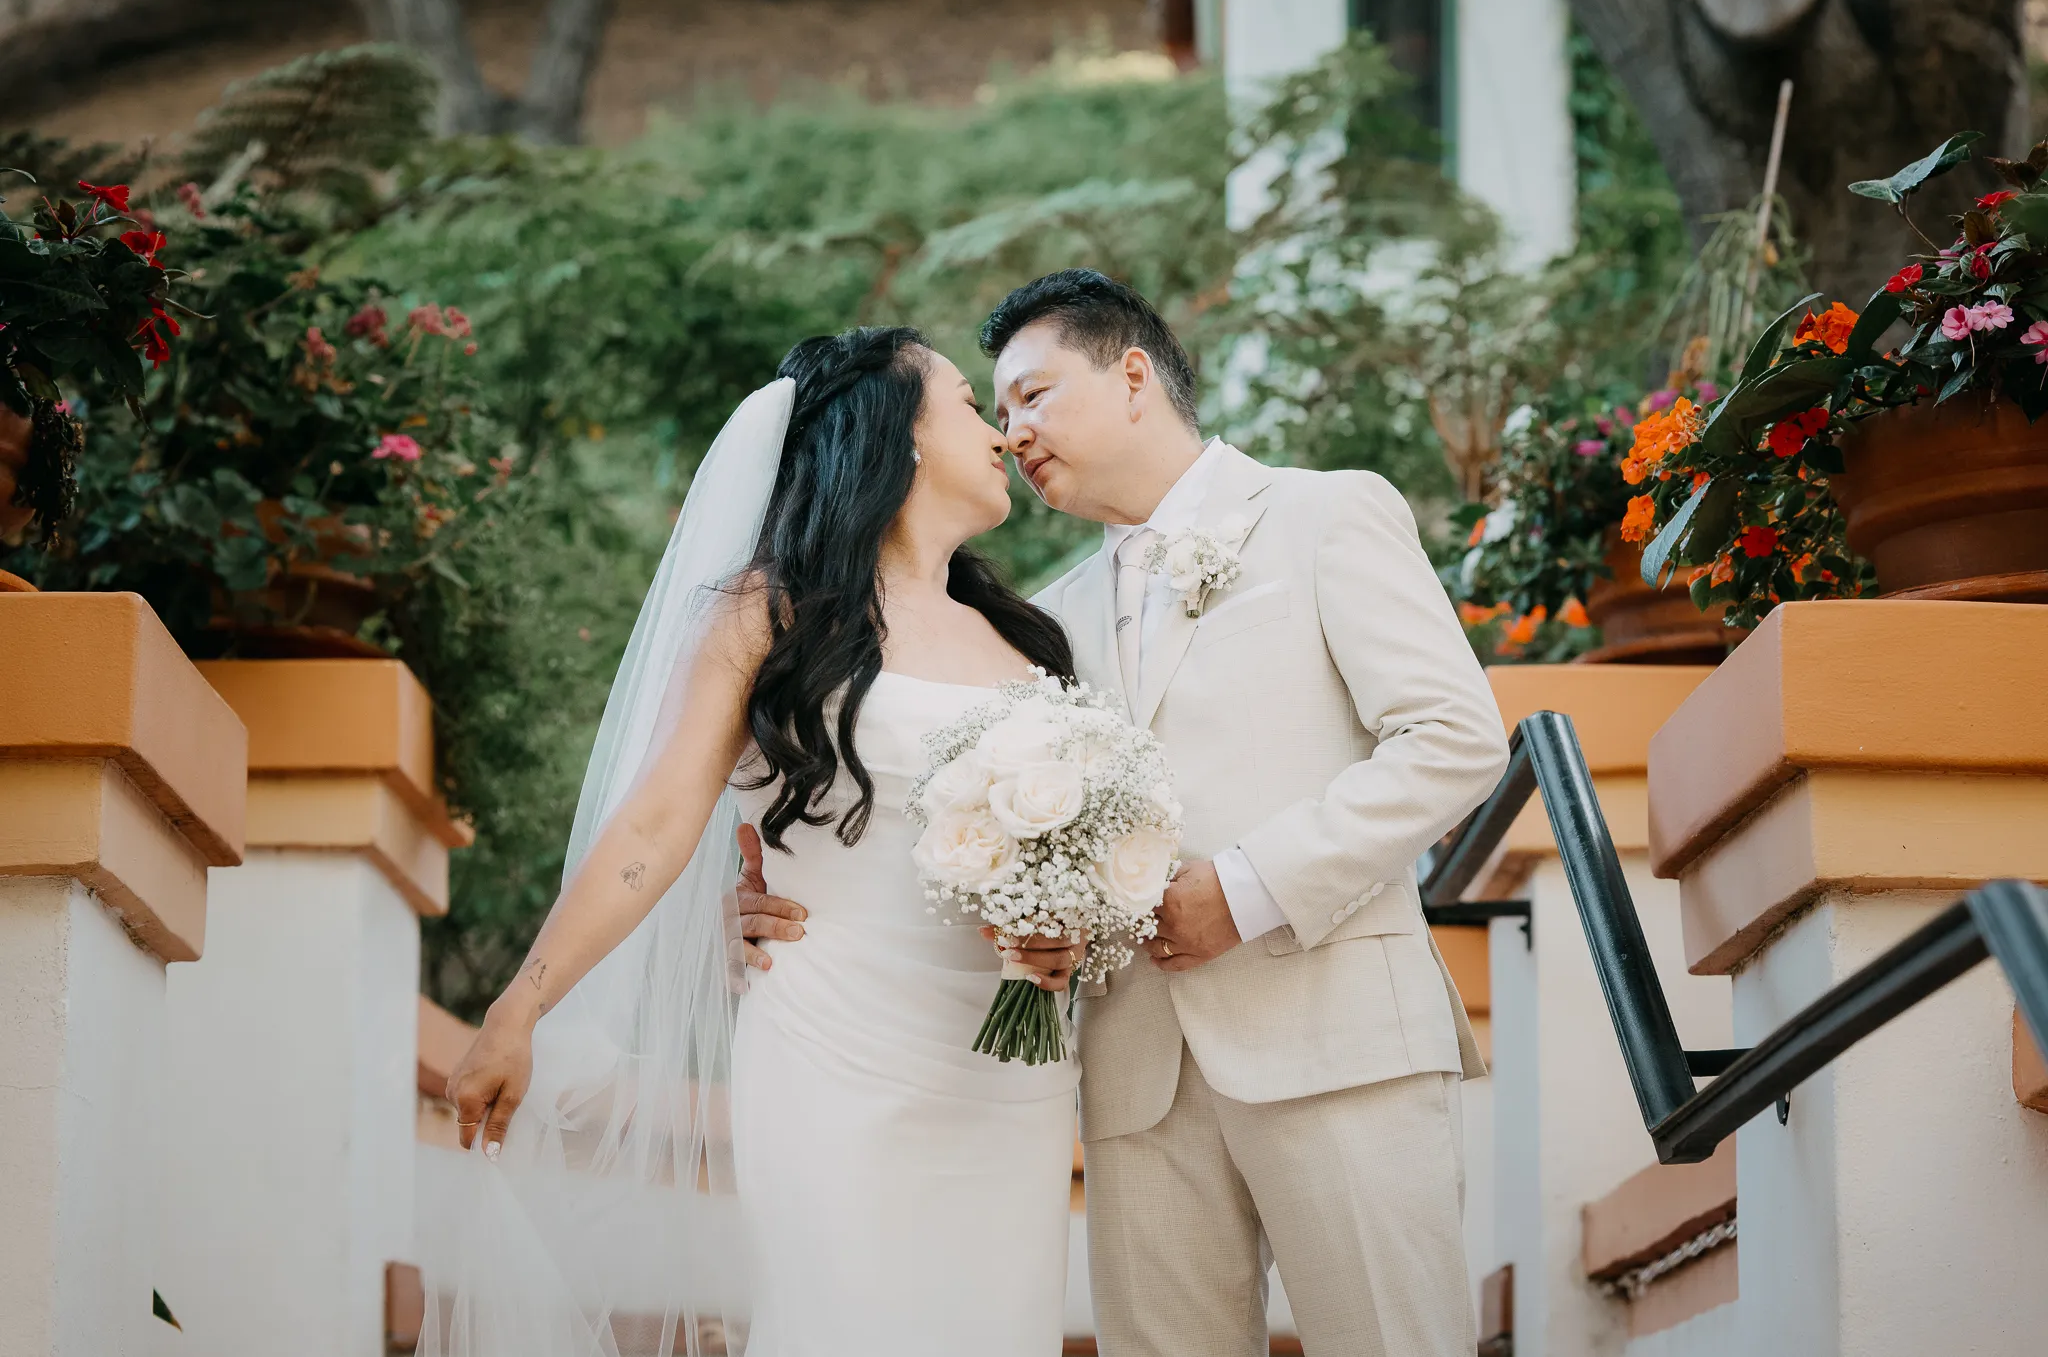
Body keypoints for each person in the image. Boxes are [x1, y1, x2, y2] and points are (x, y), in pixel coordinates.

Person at [740, 270, 1509, 1356]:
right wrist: (782, 893)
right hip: (1130, 1074)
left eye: (1032, 396)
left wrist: (1242, 893)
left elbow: (1453, 738)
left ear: (1133, 374)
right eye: (995, 412)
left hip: (1334, 1036)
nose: (1010, 435)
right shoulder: (1036, 628)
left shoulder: (1324, 513)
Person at [437, 327, 1082, 1357]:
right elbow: (655, 820)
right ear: (898, 437)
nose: (1001, 435)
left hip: (1007, 1073)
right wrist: (522, 1003)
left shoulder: (1030, 642)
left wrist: (1069, 934)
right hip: (836, 1047)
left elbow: (1071, 853)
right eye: (968, 404)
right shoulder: (770, 612)